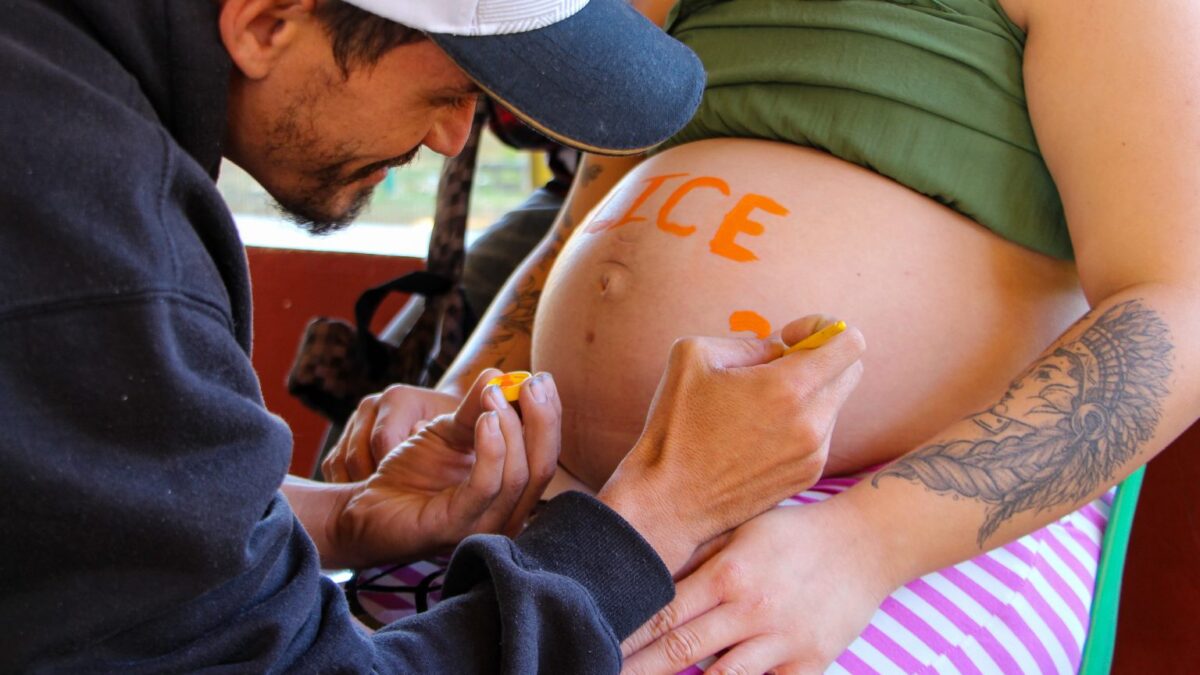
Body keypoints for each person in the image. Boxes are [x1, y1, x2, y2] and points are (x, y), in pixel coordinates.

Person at [323, 0, 1200, 671]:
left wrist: (865, 546)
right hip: (587, 496)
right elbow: (578, 230)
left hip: (880, 520)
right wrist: (471, 397)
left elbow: (1180, 297)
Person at [0, 0, 869, 671]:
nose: (455, 138)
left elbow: (73, 535)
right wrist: (656, 516)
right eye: (451, 86)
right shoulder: (95, 253)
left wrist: (340, 516)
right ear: (267, 23)